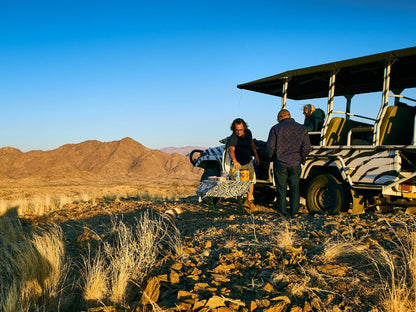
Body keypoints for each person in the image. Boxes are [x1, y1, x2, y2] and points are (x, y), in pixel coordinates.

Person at [267, 109, 311, 217]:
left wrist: (271, 158)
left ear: (281, 117)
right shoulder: (302, 128)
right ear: (289, 116)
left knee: (281, 189)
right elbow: (307, 147)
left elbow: (270, 147)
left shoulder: (275, 128)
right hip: (295, 163)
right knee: (295, 188)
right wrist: (302, 159)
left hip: (280, 163)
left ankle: (282, 213)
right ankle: (294, 212)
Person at [228, 118, 260, 211]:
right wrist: (235, 160)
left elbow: (251, 143)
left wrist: (256, 154)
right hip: (239, 163)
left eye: (240, 129)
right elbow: (231, 150)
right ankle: (240, 203)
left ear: (244, 127)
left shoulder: (248, 132)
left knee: (251, 181)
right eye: (236, 130)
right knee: (239, 184)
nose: (238, 132)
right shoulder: (233, 137)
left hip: (248, 160)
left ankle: (249, 200)